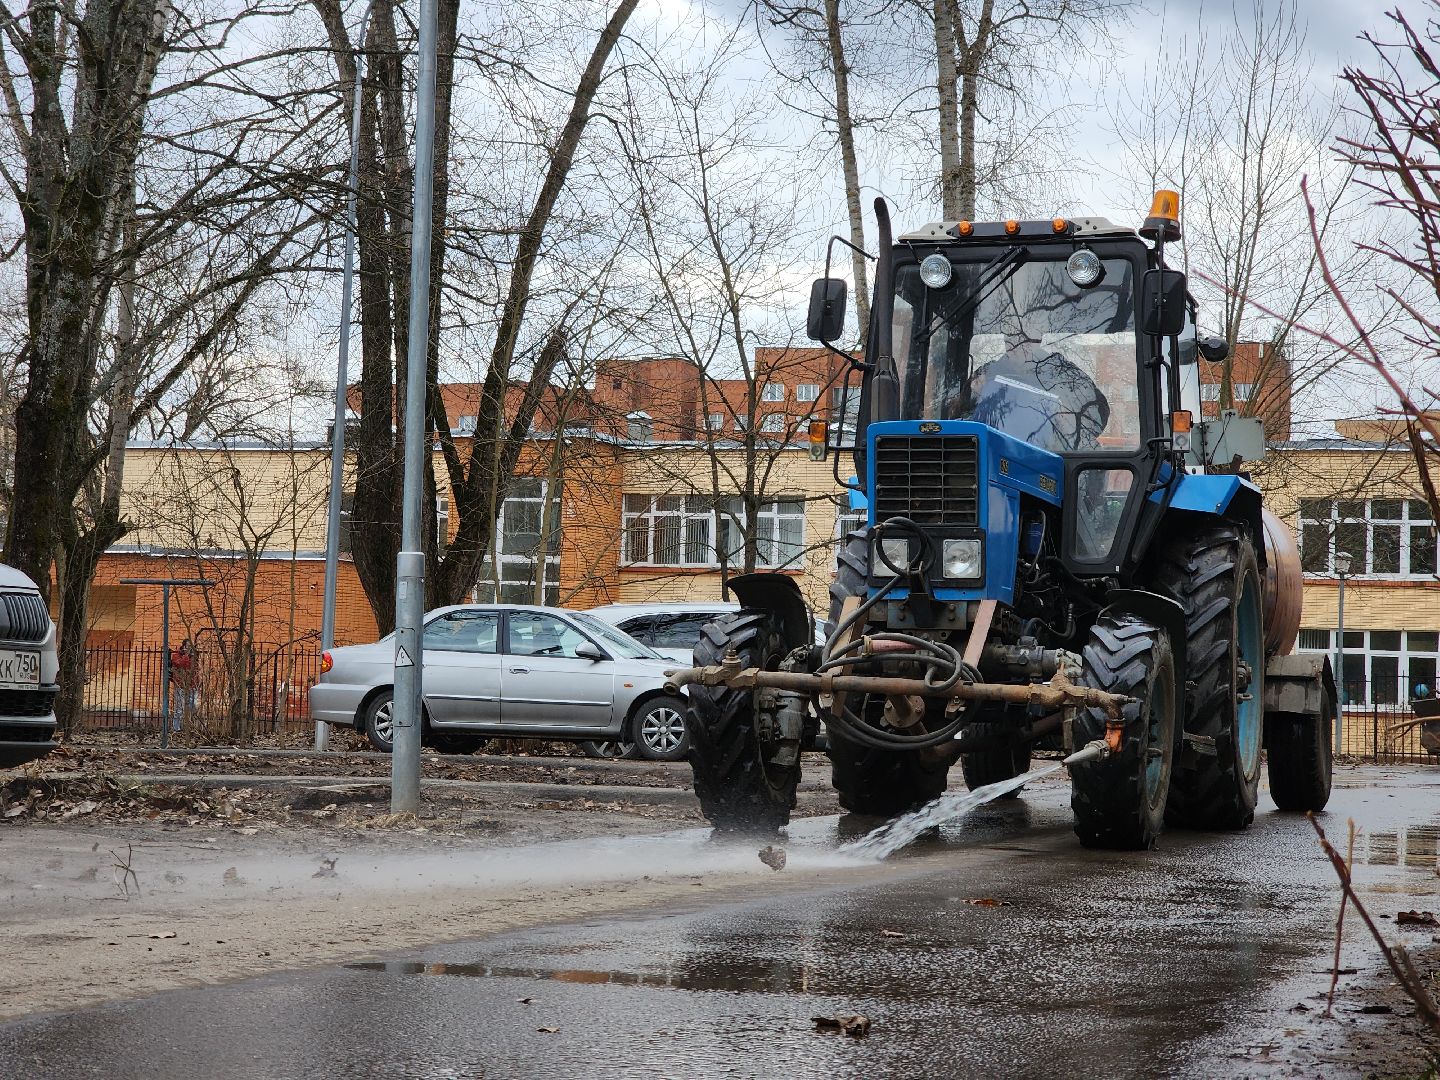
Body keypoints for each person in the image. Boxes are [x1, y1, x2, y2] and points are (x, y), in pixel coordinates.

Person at [169, 639, 196, 732]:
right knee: (179, 708)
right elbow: (181, 664)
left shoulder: (193, 656)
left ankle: (189, 728)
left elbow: (194, 669)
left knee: (192, 707)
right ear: (184, 646)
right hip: (180, 684)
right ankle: (176, 728)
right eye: (188, 646)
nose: (189, 648)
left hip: (191, 685)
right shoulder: (177, 655)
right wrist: (186, 656)